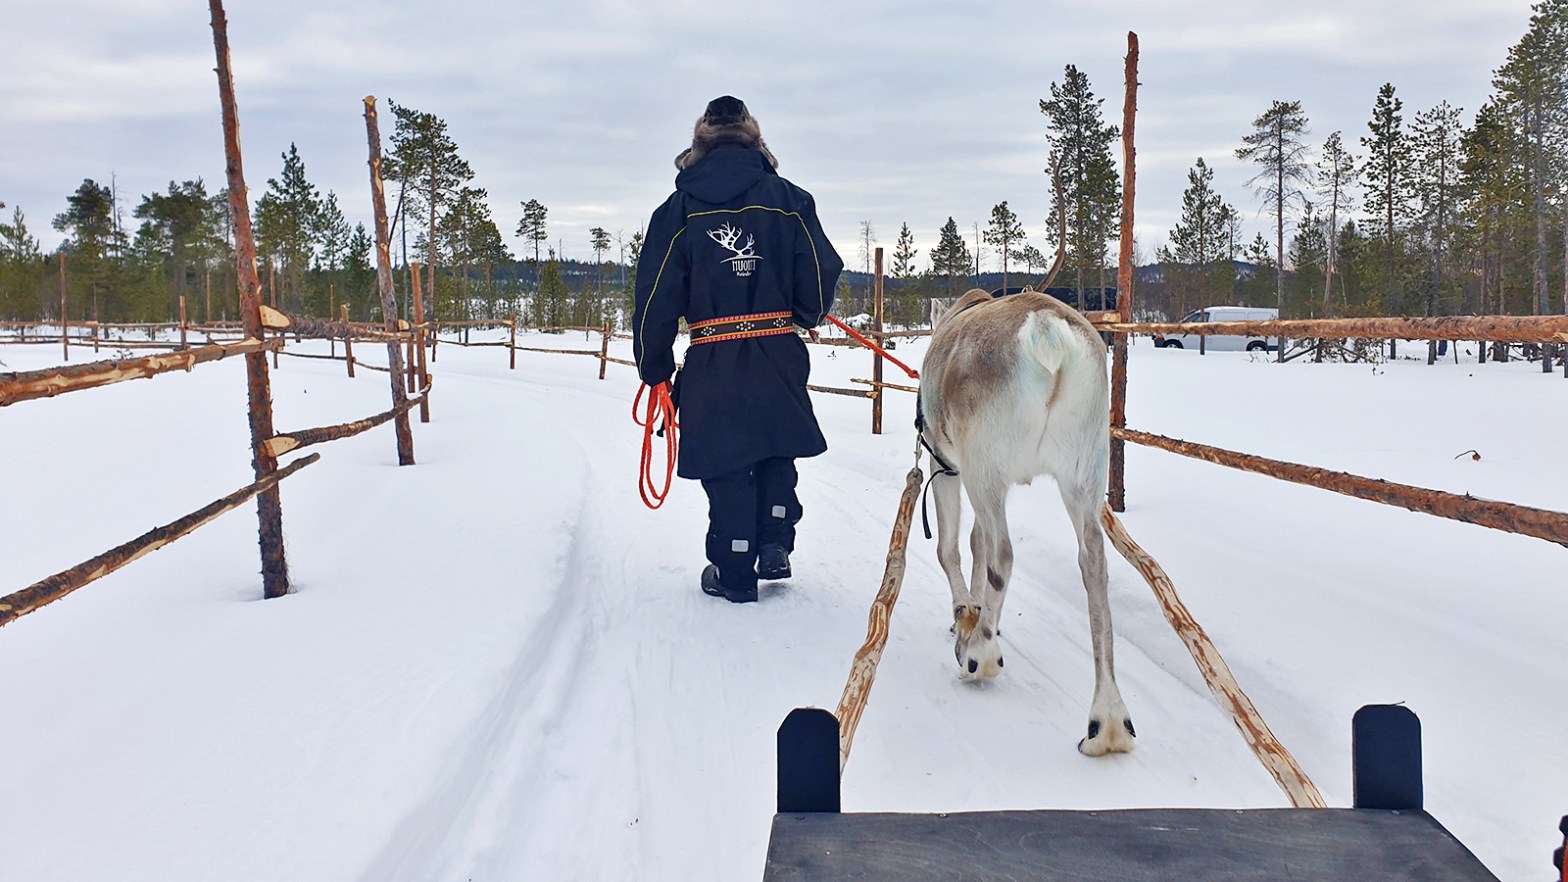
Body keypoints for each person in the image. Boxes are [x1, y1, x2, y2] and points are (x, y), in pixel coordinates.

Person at [633, 96, 843, 604]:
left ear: (700, 141)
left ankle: (734, 567)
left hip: (713, 355)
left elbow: (654, 292)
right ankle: (774, 539)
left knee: (726, 457)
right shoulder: (791, 199)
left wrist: (654, 363)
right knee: (775, 442)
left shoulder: (678, 209)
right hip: (777, 346)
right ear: (753, 137)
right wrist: (806, 314)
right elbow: (820, 269)